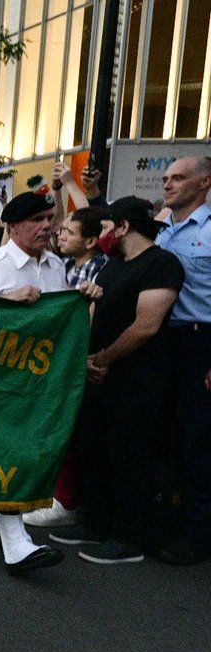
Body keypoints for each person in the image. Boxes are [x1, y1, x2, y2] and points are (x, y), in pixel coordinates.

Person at [0, 190, 99, 574]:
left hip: (38, 380)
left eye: (49, 219)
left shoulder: (55, 266)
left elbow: (59, 321)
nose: (46, 227)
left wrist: (80, 299)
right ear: (14, 226)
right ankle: (16, 544)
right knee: (7, 450)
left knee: (16, 449)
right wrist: (5, 301)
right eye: (36, 220)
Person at [74, 197, 184, 565]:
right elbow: (93, 312)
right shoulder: (113, 266)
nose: (101, 235)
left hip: (139, 382)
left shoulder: (161, 265)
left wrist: (103, 359)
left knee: (130, 458)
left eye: (105, 227)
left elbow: (146, 326)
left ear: (123, 227)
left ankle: (129, 538)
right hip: (101, 378)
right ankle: (97, 524)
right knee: (97, 451)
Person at [23, 205, 111, 528]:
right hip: (54, 359)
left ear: (90, 241)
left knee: (69, 433)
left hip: (76, 361)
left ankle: (67, 502)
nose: (59, 234)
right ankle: (52, 494)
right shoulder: (63, 267)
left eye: (68, 232)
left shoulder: (100, 270)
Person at [154, 156, 211, 565]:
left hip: (201, 342)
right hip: (163, 342)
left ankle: (198, 533)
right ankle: (171, 519)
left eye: (178, 177)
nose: (168, 184)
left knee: (198, 440)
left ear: (204, 182)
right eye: (165, 178)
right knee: (165, 435)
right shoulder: (164, 232)